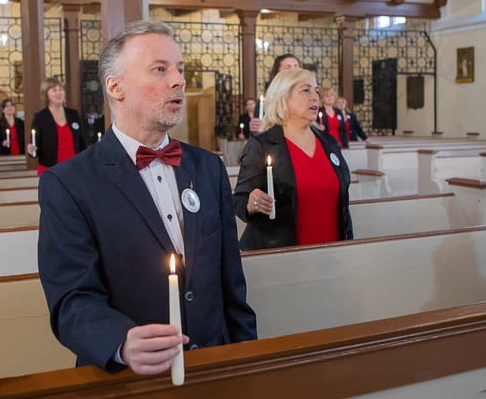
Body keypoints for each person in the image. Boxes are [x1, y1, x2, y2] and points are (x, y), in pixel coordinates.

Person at [37, 20, 257, 375]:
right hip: (128, 380)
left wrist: (247, 362)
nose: (179, 81)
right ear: (115, 86)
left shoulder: (208, 168)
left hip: (216, 369)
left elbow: (232, 285)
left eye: (180, 69)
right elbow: (71, 300)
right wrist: (121, 341)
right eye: (160, 69)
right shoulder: (68, 184)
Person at [234, 67, 353, 250]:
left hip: (333, 254)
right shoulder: (262, 144)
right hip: (283, 256)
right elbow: (240, 199)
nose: (315, 97)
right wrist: (252, 203)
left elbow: (343, 209)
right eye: (306, 90)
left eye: (316, 90)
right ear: (283, 97)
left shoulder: (329, 143)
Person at [27, 77, 85, 174]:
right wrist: (31, 150)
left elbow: (82, 144)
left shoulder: (73, 114)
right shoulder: (40, 117)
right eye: (54, 90)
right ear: (46, 94)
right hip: (50, 170)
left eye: (61, 89)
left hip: (74, 169)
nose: (59, 93)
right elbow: (35, 151)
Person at [250, 53, 300, 136]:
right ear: (277, 72)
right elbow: (260, 134)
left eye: (296, 66)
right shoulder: (265, 103)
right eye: (288, 67)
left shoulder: (306, 97)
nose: (293, 71)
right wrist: (256, 129)